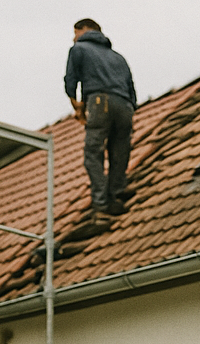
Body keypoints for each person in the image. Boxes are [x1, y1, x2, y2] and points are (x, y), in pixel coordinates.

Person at [64, 18, 137, 218]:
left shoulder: (79, 49)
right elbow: (131, 90)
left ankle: (101, 202)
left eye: (75, 32)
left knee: (93, 153)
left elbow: (71, 80)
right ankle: (117, 191)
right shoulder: (118, 57)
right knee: (119, 151)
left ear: (84, 29)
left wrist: (77, 107)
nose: (73, 38)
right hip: (125, 106)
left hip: (100, 101)